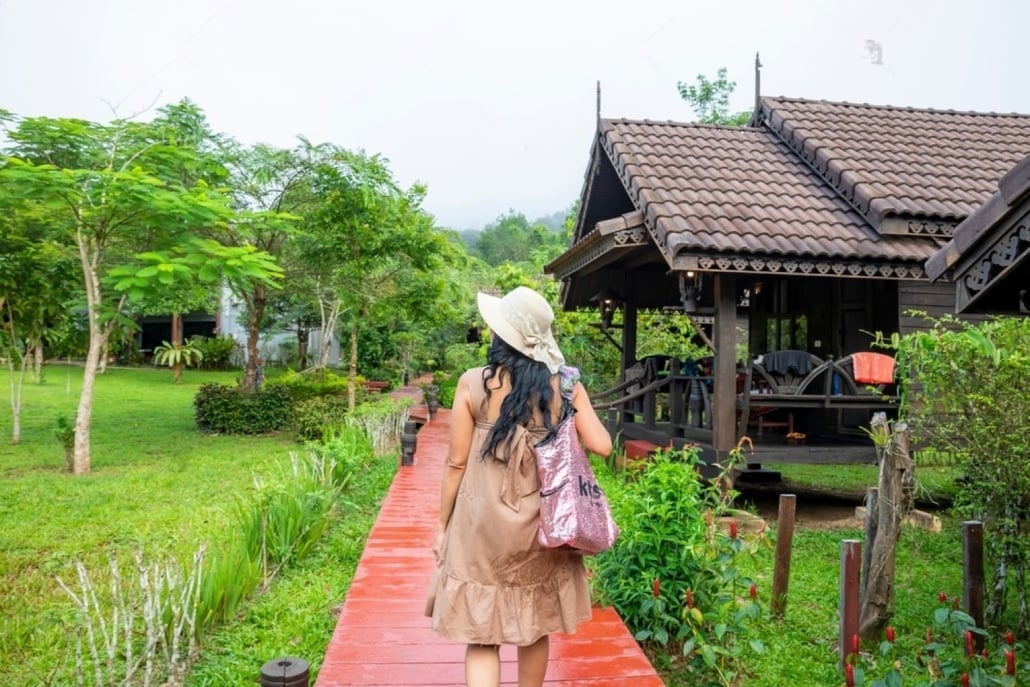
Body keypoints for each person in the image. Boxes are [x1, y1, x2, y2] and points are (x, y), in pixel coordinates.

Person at [425, 286, 613, 687]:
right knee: (535, 627)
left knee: (481, 638)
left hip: (480, 526)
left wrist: (442, 526)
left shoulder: (473, 384)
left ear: (500, 336)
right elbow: (603, 445)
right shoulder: (564, 385)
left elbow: (456, 462)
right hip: (541, 526)